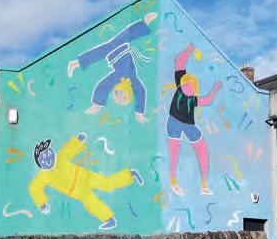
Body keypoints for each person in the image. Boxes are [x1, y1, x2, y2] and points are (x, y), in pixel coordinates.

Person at [29, 133, 143, 230]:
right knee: (92, 203)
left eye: (49, 154)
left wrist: (78, 140)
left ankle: (130, 174)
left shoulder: (60, 158)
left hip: (85, 176)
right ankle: (109, 219)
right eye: (44, 158)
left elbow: (69, 149)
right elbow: (35, 188)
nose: (49, 158)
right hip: (78, 191)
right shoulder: (43, 176)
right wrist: (41, 203)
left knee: (106, 184)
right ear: (39, 162)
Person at [67, 12, 158, 124]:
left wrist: (97, 104)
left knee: (101, 51)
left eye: (119, 94)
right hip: (122, 46)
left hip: (112, 50)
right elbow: (141, 91)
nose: (122, 94)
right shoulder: (134, 81)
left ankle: (75, 63)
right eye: (124, 97)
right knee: (124, 36)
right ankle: (145, 22)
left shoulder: (117, 78)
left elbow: (104, 85)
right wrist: (139, 113)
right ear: (129, 95)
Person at [166, 43, 222, 196]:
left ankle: (204, 184)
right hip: (174, 122)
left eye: (190, 86)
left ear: (194, 87)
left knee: (202, 149)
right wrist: (188, 50)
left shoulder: (194, 99)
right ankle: (173, 181)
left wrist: (215, 88)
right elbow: (179, 63)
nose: (187, 87)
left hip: (189, 125)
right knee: (174, 151)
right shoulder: (179, 87)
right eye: (185, 84)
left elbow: (207, 100)